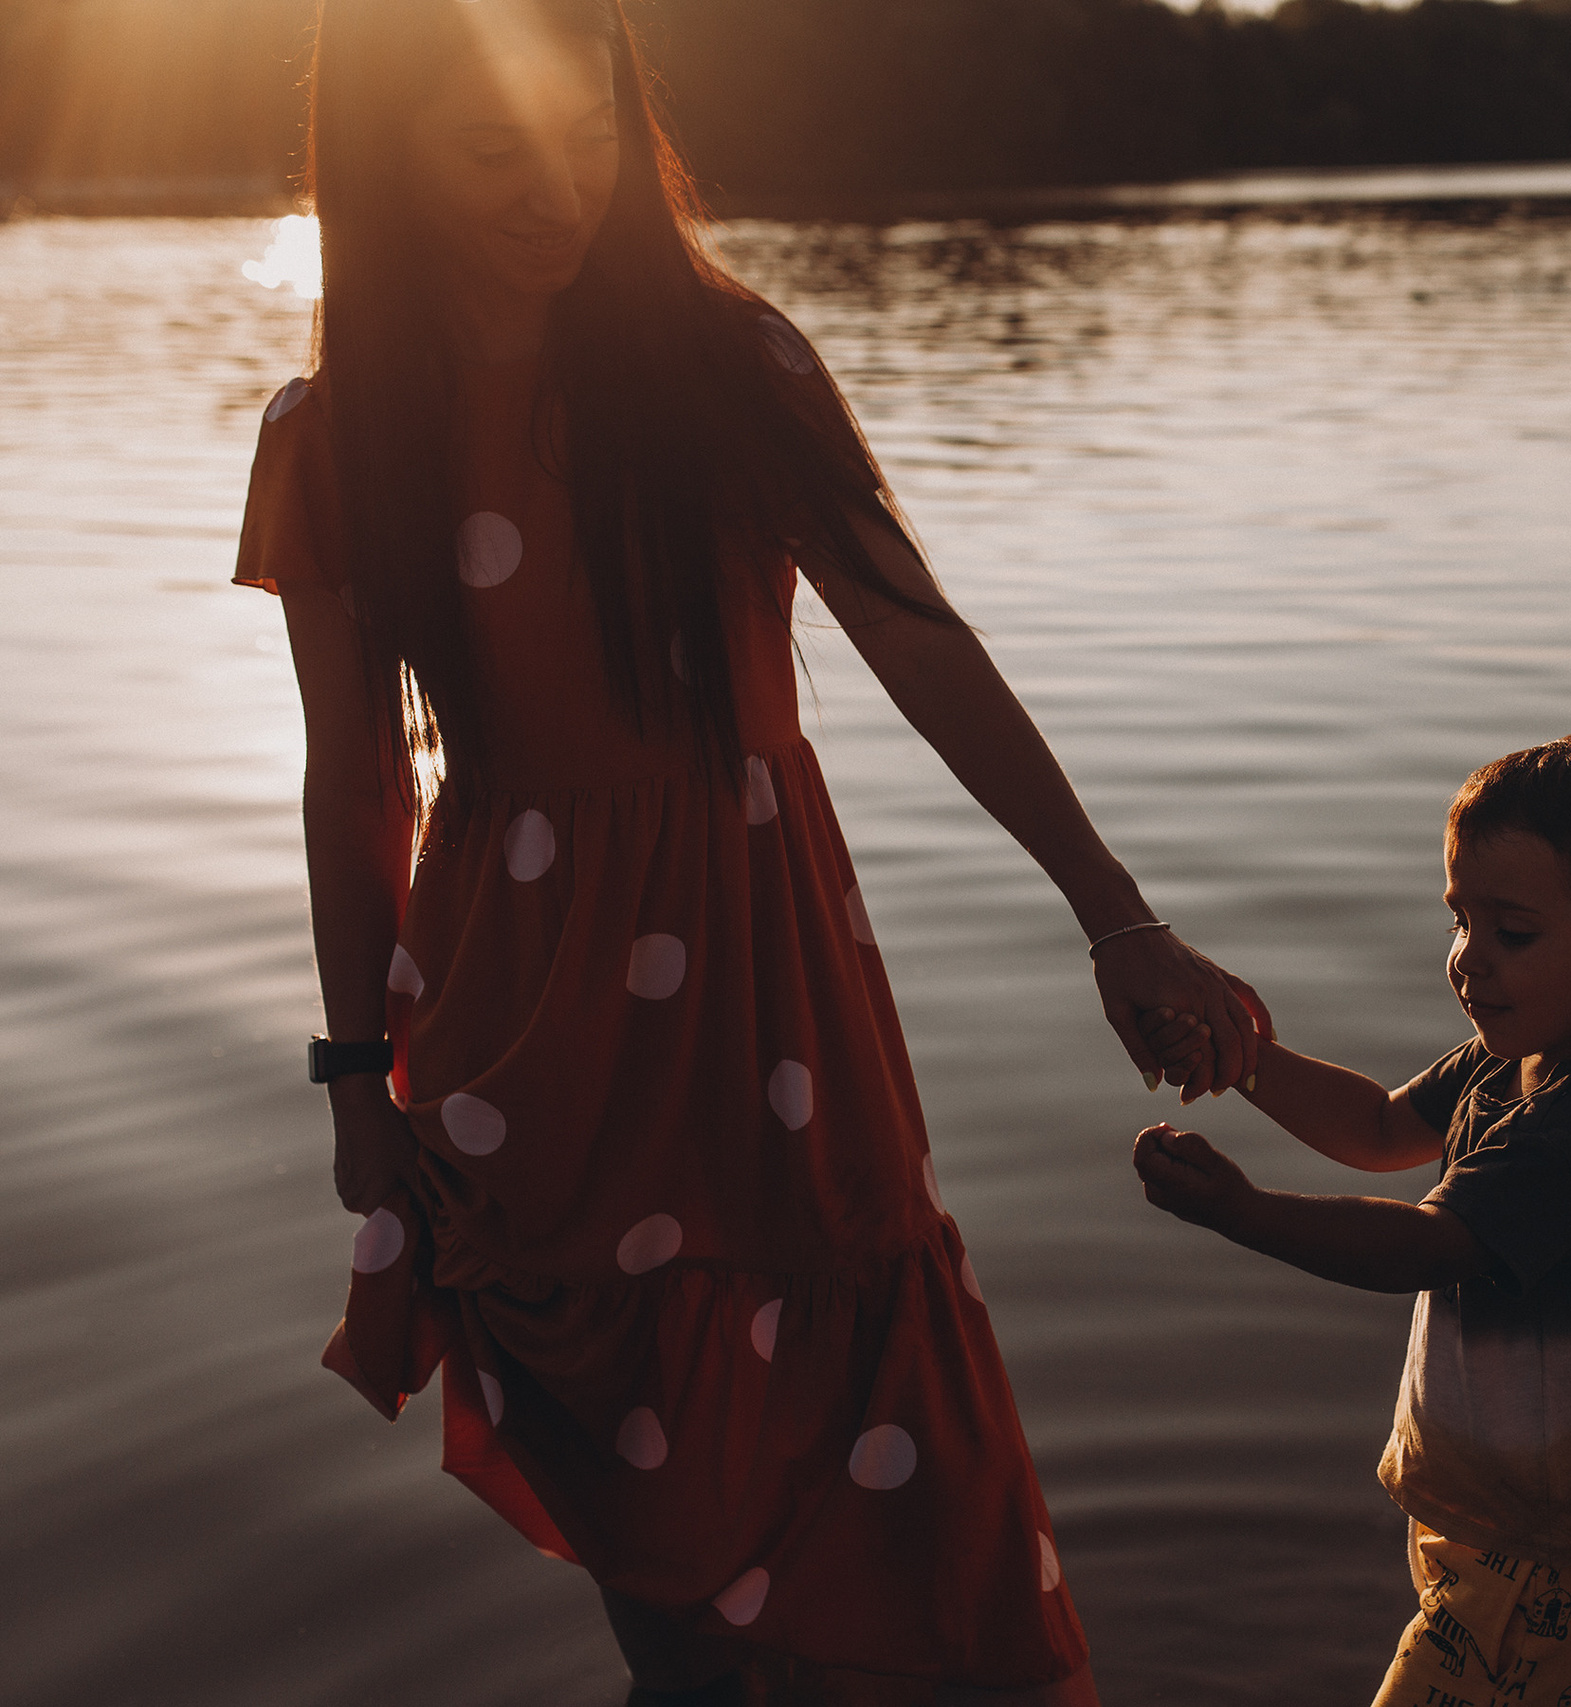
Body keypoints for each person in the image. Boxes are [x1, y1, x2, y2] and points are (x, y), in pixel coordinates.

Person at [237, 2, 1265, 1701]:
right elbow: (353, 782)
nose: (552, 189)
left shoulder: (729, 371)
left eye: (583, 139)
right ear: (388, 157)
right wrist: (357, 1072)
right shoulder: (333, 439)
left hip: (770, 999)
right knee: (655, 1516)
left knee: (895, 1460)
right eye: (493, 147)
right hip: (517, 1033)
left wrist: (1117, 916)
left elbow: (918, 641)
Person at [1129, 732, 1571, 1707]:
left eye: (1513, 935)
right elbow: (1375, 1128)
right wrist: (1244, 1057)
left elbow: (1423, 1245)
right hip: (1515, 1514)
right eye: (1460, 923)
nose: (1468, 963)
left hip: (1545, 1560)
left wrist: (1244, 1212)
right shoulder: (1513, 1059)